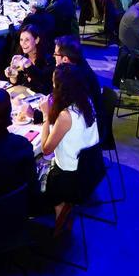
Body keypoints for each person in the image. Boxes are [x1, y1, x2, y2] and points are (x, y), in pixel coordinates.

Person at [41, 63, 100, 230]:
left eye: (54, 84)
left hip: (70, 178)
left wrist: (46, 115)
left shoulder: (66, 116)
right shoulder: (86, 101)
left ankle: (61, 222)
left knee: (36, 173)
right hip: (90, 168)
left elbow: (46, 150)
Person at [6, 23, 55, 94]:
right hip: (24, 97)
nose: (23, 43)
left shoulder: (48, 60)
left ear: (36, 40)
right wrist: (12, 76)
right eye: (21, 40)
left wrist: (28, 65)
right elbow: (17, 83)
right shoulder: (21, 56)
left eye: (27, 40)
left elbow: (43, 86)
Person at [54, 36, 100, 103]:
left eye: (55, 54)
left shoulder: (73, 78)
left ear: (65, 59)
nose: (54, 56)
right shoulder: (79, 65)